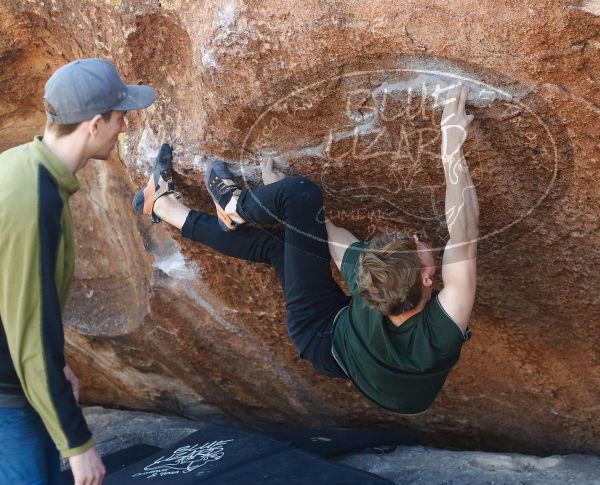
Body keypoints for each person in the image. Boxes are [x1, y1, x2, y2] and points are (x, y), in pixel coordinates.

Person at [133, 84, 477, 414]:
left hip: (321, 336)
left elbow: (463, 227)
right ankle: (165, 206)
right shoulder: (400, 294)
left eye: (415, 247)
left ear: (427, 279)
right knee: (283, 239)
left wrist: (278, 198)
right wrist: (451, 144)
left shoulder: (380, 286)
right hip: (381, 373)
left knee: (297, 198)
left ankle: (233, 205)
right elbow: (463, 229)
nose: (419, 238)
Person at [0, 58, 155, 485]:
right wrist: (78, 443)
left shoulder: (25, 165)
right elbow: (27, 333)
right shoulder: (33, 199)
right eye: (119, 117)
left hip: (14, 381)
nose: (124, 127)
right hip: (6, 394)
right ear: (93, 124)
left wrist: (57, 359)